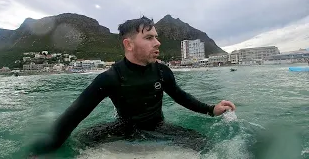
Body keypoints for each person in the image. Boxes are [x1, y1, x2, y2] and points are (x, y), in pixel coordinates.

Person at [28, 16, 236, 156]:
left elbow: (181, 96)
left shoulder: (162, 72)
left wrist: (211, 109)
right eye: (149, 37)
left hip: (159, 127)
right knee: (78, 144)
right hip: (122, 129)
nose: (158, 43)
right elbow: (74, 115)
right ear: (129, 44)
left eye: (156, 37)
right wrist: (48, 147)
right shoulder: (110, 78)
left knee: (207, 145)